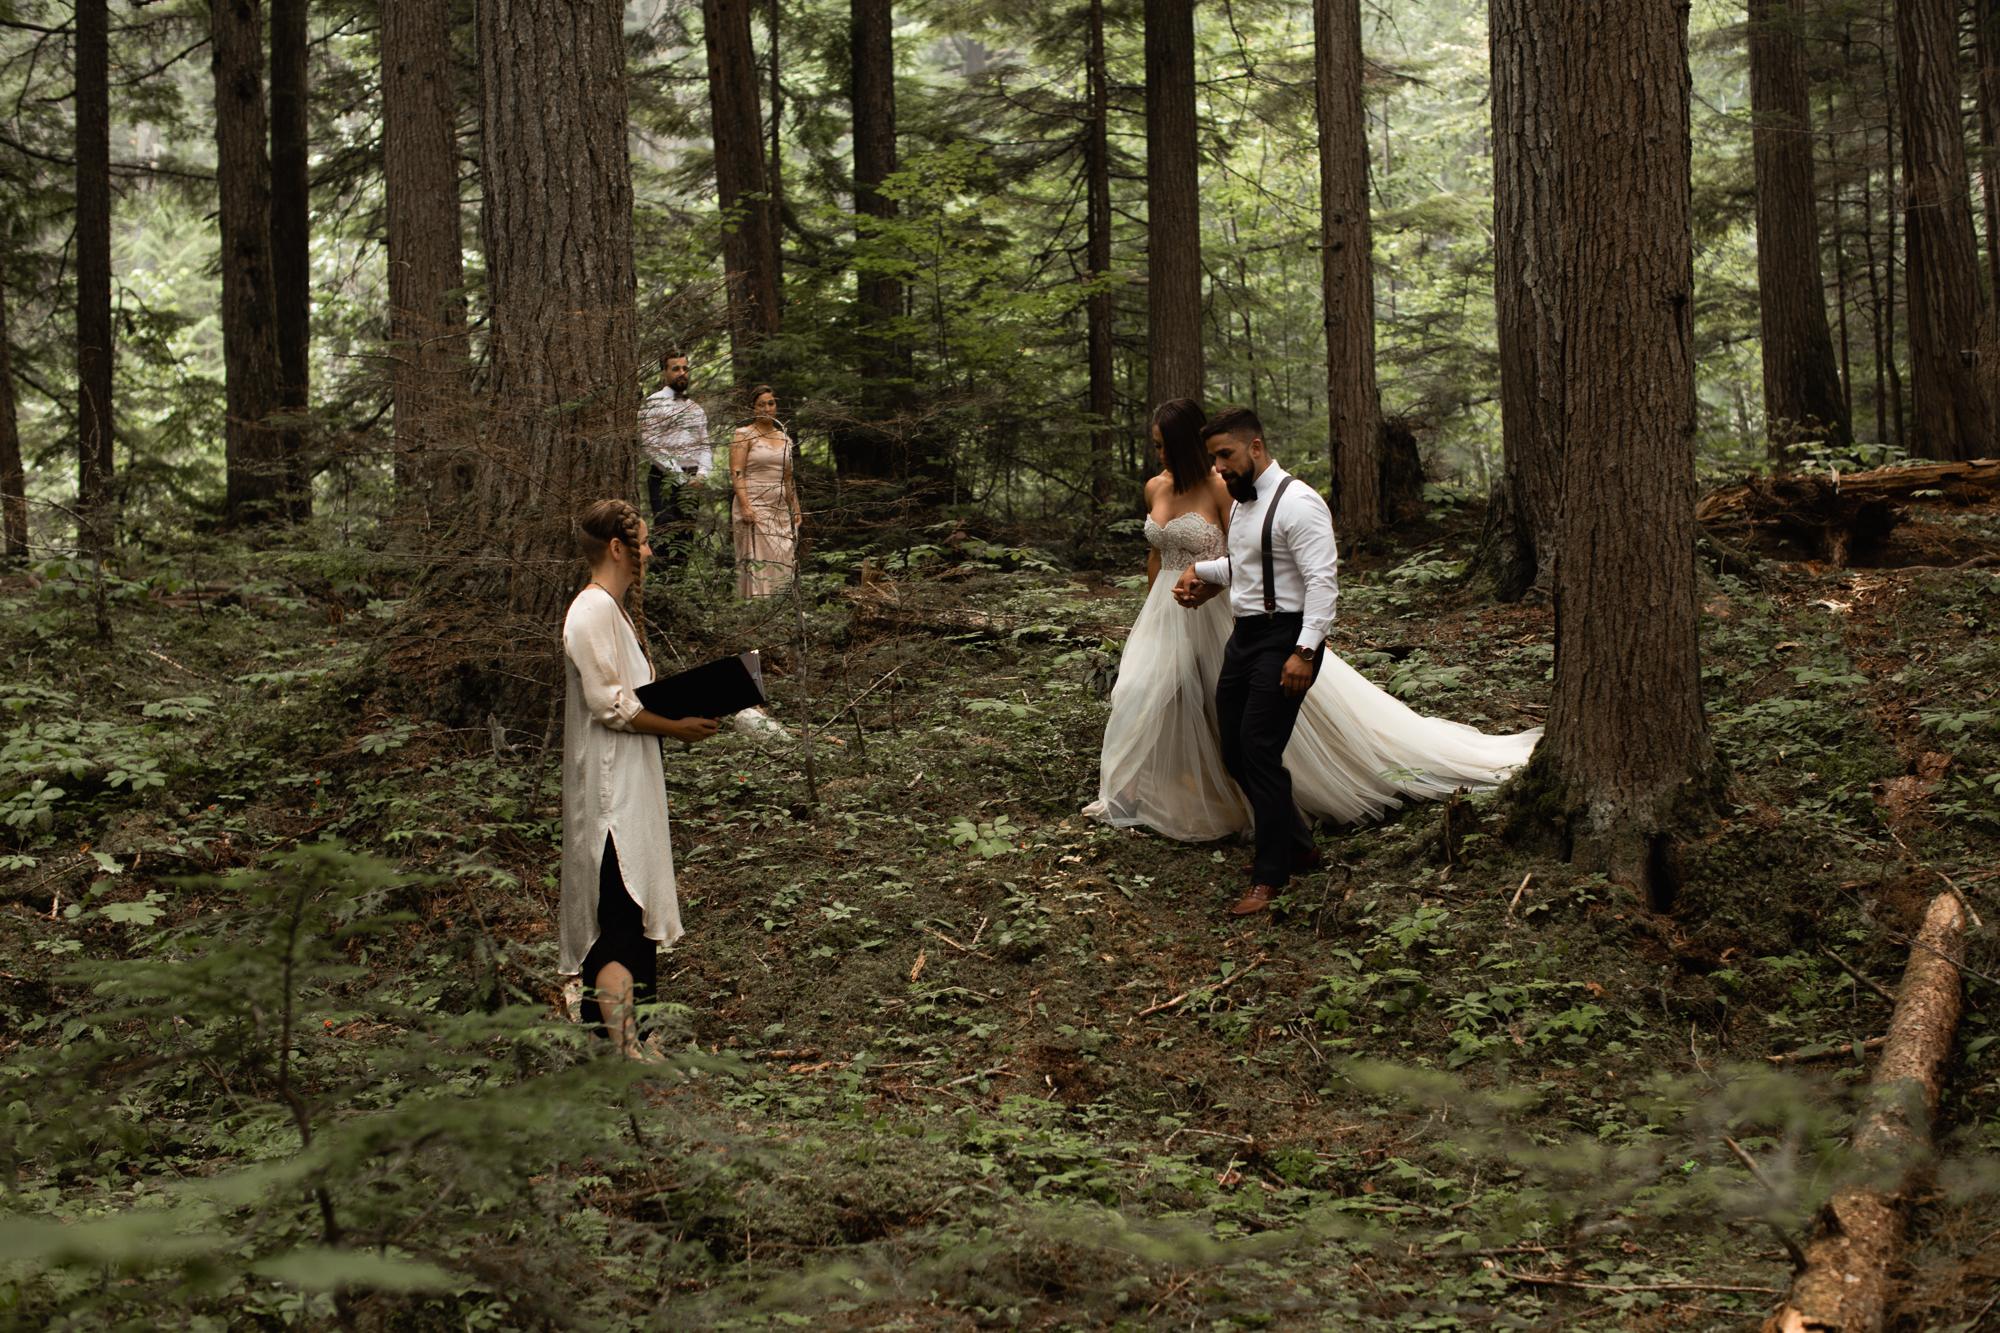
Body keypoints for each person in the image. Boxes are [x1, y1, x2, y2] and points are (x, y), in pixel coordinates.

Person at [1149, 407, 1541, 917]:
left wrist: (1304, 652)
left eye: (1225, 455)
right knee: (1235, 750)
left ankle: (1271, 876)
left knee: (1259, 749)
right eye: (1213, 458)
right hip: (1243, 638)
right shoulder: (1244, 503)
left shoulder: (1300, 502)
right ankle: (1298, 843)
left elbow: (1322, 583)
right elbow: (1248, 566)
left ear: (1256, 448)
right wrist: (1202, 569)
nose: (1218, 467)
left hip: (1285, 638)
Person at [561, 499, 719, 1057]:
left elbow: (632, 695)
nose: (650, 552)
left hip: (632, 783)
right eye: (644, 542)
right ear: (617, 548)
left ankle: (634, 1041)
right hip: (608, 794)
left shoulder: (613, 610)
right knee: (617, 924)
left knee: (634, 913)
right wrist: (675, 727)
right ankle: (620, 1052)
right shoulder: (590, 611)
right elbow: (610, 705)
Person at [1084, 399, 1250, 841]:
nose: (1158, 454)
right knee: (1139, 689)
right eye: (1154, 445)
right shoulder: (1156, 487)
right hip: (1163, 606)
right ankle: (1126, 793)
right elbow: (1157, 556)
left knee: (1213, 695)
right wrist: (1152, 608)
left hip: (1214, 604)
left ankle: (1241, 791)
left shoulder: (1221, 486)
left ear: (1183, 442)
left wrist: (1213, 587)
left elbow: (1245, 556)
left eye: (1163, 445)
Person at [639, 349, 712, 571]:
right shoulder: (653, 403)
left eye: (685, 368)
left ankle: (678, 589)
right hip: (664, 479)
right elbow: (650, 444)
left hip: (693, 482)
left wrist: (701, 476)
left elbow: (705, 447)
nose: (682, 373)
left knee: (685, 537)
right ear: (664, 373)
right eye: (675, 368)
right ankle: (659, 587)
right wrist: (680, 477)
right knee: (665, 530)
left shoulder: (695, 408)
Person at [730, 384, 800, 599]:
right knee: (757, 560)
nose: (768, 408)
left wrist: (795, 509)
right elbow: (736, 472)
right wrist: (745, 505)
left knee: (783, 557)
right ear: (753, 409)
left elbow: (788, 478)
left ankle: (781, 604)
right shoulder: (744, 434)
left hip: (779, 509)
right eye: (762, 404)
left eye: (771, 403)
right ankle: (756, 607)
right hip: (753, 506)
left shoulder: (784, 437)